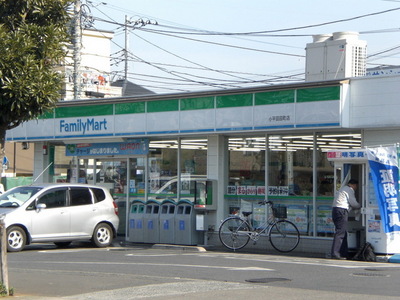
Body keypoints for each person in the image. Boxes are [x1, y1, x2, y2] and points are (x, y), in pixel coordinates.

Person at [331, 179, 361, 260]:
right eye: (356, 186)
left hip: (335, 210)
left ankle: (343, 253)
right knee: (341, 232)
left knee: (343, 232)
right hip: (342, 210)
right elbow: (354, 203)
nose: (356, 188)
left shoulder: (343, 188)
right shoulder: (349, 190)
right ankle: (335, 253)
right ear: (353, 185)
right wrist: (360, 206)